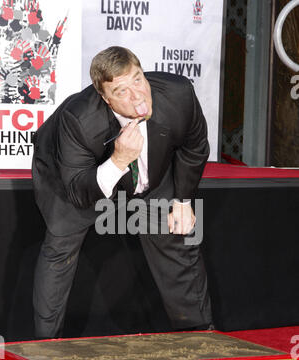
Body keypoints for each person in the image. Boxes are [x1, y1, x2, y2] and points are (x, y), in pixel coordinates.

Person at [32, 46, 213, 339]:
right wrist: (118, 160)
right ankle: (45, 346)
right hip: (74, 175)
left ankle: (200, 337)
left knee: (178, 232)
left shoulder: (178, 95)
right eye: (121, 91)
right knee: (60, 247)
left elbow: (195, 148)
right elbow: (79, 191)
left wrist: (183, 201)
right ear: (105, 98)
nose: (137, 96)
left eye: (138, 79)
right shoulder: (78, 120)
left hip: (147, 171)